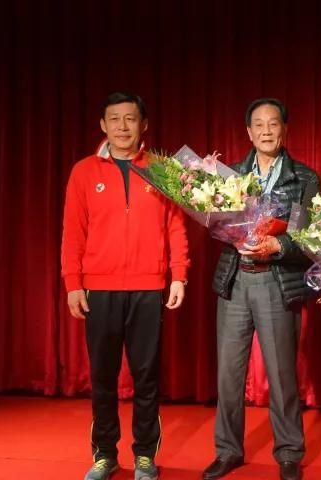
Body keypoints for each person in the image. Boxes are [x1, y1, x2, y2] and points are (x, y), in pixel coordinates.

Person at [61, 91, 190, 480]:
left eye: (130, 119)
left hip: (148, 288)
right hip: (99, 290)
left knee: (146, 376)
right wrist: (73, 283)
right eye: (114, 119)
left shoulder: (163, 170)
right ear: (103, 125)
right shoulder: (84, 171)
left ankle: (145, 456)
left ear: (143, 124)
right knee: (103, 377)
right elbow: (73, 231)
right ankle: (105, 454)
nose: (122, 126)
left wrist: (179, 274)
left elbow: (176, 225)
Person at [202, 98, 320, 480]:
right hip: (235, 279)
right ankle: (227, 450)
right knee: (228, 374)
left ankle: (289, 452)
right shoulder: (230, 176)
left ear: (285, 129)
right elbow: (215, 220)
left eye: (273, 124)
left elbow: (308, 238)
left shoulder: (304, 178)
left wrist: (277, 245)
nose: (267, 130)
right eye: (259, 125)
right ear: (249, 133)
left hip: (276, 281)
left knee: (282, 374)